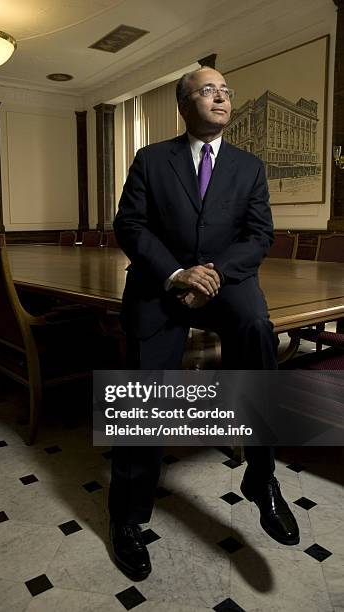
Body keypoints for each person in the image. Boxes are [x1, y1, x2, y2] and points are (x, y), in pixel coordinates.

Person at [109, 66, 299, 581]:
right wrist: (176, 274)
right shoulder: (151, 159)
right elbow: (129, 224)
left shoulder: (249, 166)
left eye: (226, 92)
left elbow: (259, 235)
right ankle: (127, 516)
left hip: (225, 283)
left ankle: (261, 478)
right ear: (184, 104)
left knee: (259, 333)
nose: (221, 97)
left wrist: (211, 275)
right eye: (209, 90)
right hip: (160, 283)